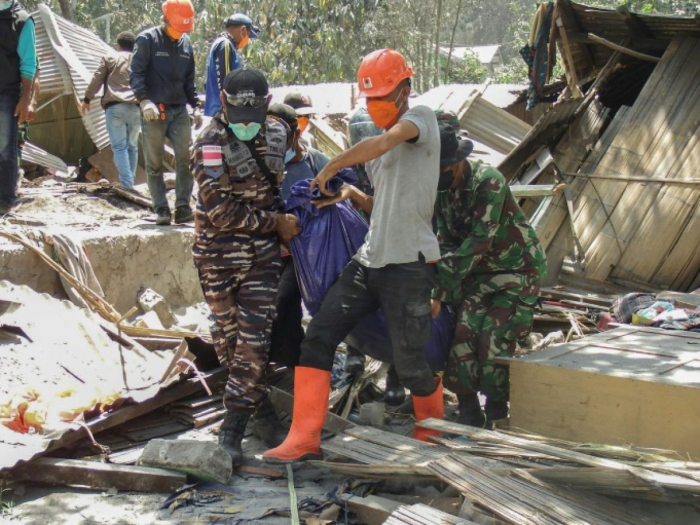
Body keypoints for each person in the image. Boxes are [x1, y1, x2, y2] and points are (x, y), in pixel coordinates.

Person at [264, 49, 444, 464]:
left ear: (405, 90)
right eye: (370, 98)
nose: (375, 104)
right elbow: (386, 203)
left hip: (410, 263)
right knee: (319, 337)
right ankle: (304, 437)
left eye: (383, 95)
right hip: (370, 259)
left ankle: (431, 438)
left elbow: (383, 140)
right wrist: (349, 193)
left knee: (411, 361)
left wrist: (330, 169)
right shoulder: (379, 149)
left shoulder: (421, 118)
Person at [191, 68, 301, 466]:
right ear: (223, 100)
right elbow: (219, 211)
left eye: (255, 116)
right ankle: (263, 411)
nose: (247, 126)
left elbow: (288, 166)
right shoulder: (208, 141)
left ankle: (232, 428)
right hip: (217, 256)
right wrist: (276, 223)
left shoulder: (277, 132)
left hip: (263, 259)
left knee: (254, 341)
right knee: (229, 343)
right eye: (240, 117)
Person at [432, 122, 546, 427]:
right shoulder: (441, 191)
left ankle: (498, 413)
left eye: (442, 167)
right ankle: (469, 410)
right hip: (477, 274)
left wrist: (439, 290)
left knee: (492, 340)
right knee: (461, 336)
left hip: (517, 270)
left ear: (456, 162)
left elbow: (479, 241)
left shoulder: (488, 182)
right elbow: (445, 238)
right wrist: (439, 289)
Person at [130, 0, 202, 225]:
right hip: (154, 110)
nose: (180, 32)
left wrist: (196, 105)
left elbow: (189, 79)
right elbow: (136, 73)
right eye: (177, 26)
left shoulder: (186, 43)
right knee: (155, 162)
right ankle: (161, 209)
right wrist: (144, 101)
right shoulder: (147, 40)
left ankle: (182, 207)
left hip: (179, 109)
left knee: (186, 159)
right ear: (166, 20)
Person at [82, 32, 140, 191]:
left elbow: (97, 79)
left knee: (119, 147)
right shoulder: (140, 60)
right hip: (136, 108)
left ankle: (127, 184)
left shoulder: (109, 58)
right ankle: (130, 182)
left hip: (115, 107)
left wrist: (87, 99)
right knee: (132, 147)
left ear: (118, 45)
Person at [0, 0, 37, 215]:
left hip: (6, 94)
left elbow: (29, 63)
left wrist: (26, 100)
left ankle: (5, 198)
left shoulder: (22, 20)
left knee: (5, 148)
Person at [204, 13, 259, 118]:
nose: (247, 40)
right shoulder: (225, 45)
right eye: (248, 35)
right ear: (242, 30)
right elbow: (226, 82)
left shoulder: (222, 44)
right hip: (222, 112)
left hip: (219, 110)